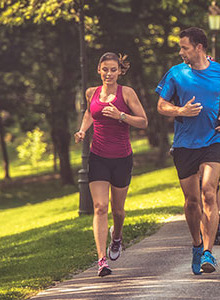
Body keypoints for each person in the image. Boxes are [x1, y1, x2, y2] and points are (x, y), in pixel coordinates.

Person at [156, 27, 220, 274]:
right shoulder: (175, 73)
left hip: (213, 139)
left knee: (208, 192)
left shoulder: (219, 71)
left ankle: (208, 253)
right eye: (181, 48)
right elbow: (161, 105)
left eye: (185, 47)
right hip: (184, 145)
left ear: (199, 47)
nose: (181, 52)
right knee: (192, 202)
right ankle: (196, 244)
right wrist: (180, 111)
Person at [74, 52, 148, 277]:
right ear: (98, 69)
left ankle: (117, 237)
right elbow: (89, 113)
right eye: (105, 69)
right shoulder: (91, 93)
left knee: (118, 210)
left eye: (113, 69)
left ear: (119, 71)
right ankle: (101, 260)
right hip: (98, 157)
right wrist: (82, 130)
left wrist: (120, 115)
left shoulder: (127, 93)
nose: (108, 73)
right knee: (99, 207)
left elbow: (144, 122)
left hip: (122, 159)